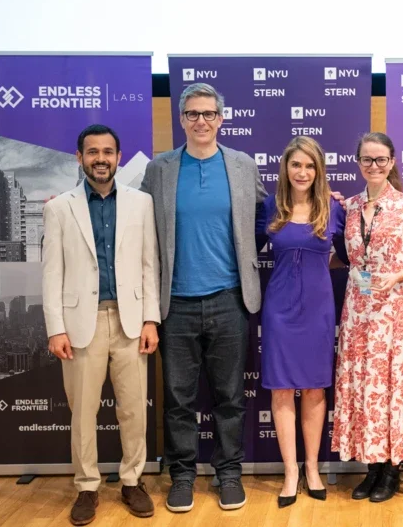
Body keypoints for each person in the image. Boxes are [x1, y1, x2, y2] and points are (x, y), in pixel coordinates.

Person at [140, 83, 267, 512]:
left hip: (230, 299)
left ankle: (229, 475)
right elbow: (137, 223)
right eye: (192, 114)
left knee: (230, 396)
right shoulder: (160, 169)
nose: (201, 121)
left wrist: (326, 206)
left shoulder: (242, 166)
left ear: (221, 118)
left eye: (208, 114)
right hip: (173, 303)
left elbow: (270, 215)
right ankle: (182, 477)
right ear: (181, 119)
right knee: (178, 399)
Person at [42, 124, 160, 525]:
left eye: (107, 152)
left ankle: (131, 481)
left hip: (129, 323)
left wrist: (150, 319)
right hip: (80, 326)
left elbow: (149, 266)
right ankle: (87, 486)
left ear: (118, 157)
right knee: (83, 412)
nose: (100, 159)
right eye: (92, 152)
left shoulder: (141, 203)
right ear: (79, 158)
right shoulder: (59, 208)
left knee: (133, 410)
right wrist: (55, 327)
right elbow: (51, 273)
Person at [331, 132, 403, 503]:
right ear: (358, 163)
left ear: (392, 162)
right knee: (363, 387)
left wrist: (398, 274)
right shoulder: (350, 206)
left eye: (381, 159)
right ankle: (371, 468)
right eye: (367, 160)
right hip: (358, 310)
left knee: (393, 388)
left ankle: (392, 470)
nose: (374, 166)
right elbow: (342, 252)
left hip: (396, 311)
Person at [255, 136, 347, 507]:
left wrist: (318, 269)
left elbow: (349, 256)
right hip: (278, 309)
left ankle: (312, 468)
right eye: (297, 165)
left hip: (318, 309)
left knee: (314, 389)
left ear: (318, 170)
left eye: (310, 166)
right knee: (281, 389)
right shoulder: (268, 208)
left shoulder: (333, 208)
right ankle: (290, 471)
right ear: (286, 169)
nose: (303, 172)